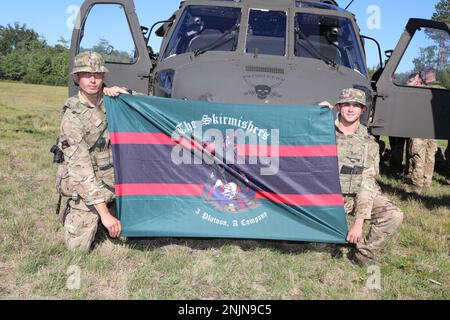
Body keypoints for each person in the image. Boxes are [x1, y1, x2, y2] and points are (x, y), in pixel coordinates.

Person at [56, 51, 131, 252]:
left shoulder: (113, 99)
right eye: (86, 74)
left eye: (97, 75)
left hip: (116, 178)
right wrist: (105, 215)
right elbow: (81, 171)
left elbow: (146, 107)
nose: (92, 79)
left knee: (134, 231)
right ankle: (88, 212)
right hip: (87, 183)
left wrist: (126, 94)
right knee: (78, 248)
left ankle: (112, 209)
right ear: (77, 77)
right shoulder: (72, 117)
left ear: (103, 77)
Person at [320, 89, 403, 266]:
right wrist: (313, 114)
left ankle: (364, 252)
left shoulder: (368, 143)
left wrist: (359, 222)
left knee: (393, 214)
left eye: (356, 105)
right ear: (338, 107)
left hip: (356, 196)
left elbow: (367, 183)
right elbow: (295, 132)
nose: (351, 109)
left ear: (362, 110)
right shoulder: (322, 131)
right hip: (326, 196)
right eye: (346, 105)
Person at [406, 68, 443, 193]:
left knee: (417, 154)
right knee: (430, 155)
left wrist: (414, 81)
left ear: (424, 77)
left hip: (420, 126)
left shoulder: (422, 90)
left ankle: (417, 184)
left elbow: (407, 93)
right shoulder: (443, 90)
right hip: (435, 128)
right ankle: (427, 181)